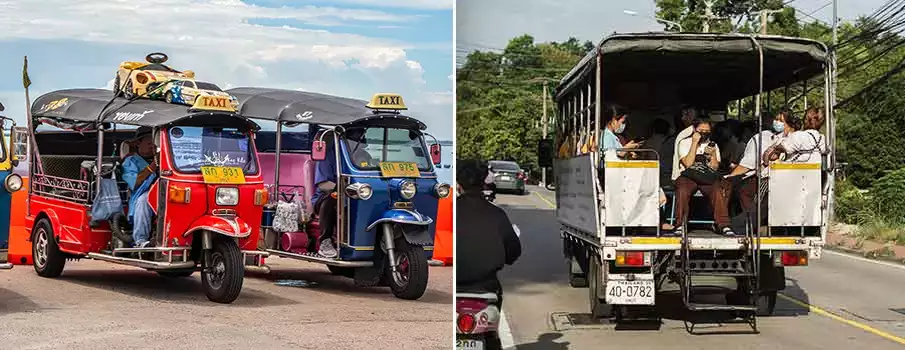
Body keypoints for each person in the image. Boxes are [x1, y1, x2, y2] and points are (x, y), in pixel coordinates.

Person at [456, 159, 521, 307]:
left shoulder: (452, 211)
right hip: (486, 287)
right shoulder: (497, 214)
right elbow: (514, 252)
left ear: (459, 184)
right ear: (484, 183)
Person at [727, 109, 801, 215]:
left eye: (780, 120)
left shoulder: (782, 139)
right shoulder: (770, 137)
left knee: (746, 192)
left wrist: (730, 177)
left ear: (789, 124)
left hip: (774, 177)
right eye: (776, 119)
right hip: (782, 176)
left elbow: (757, 161)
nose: (776, 122)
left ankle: (751, 222)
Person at [673, 118, 735, 236]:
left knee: (717, 189)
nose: (704, 133)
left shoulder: (713, 145)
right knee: (682, 190)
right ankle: (680, 224)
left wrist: (712, 156)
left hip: (706, 176)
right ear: (694, 129)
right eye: (701, 130)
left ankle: (723, 224)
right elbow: (688, 163)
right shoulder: (684, 142)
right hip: (688, 175)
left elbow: (715, 167)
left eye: (707, 131)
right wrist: (694, 143)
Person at [121, 127, 158, 248]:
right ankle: (140, 241)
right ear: (138, 143)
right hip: (142, 194)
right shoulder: (130, 161)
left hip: (164, 191)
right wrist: (152, 167)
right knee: (144, 200)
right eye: (148, 142)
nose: (152, 145)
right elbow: (134, 182)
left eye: (154, 142)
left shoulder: (166, 158)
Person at [312, 130, 339, 258]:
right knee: (332, 198)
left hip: (356, 193)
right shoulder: (326, 156)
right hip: (325, 197)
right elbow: (323, 184)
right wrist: (343, 190)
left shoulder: (363, 155)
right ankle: (325, 241)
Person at [670, 107, 698, 181]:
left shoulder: (691, 133)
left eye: (686, 115)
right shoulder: (685, 134)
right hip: (686, 175)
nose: (683, 118)